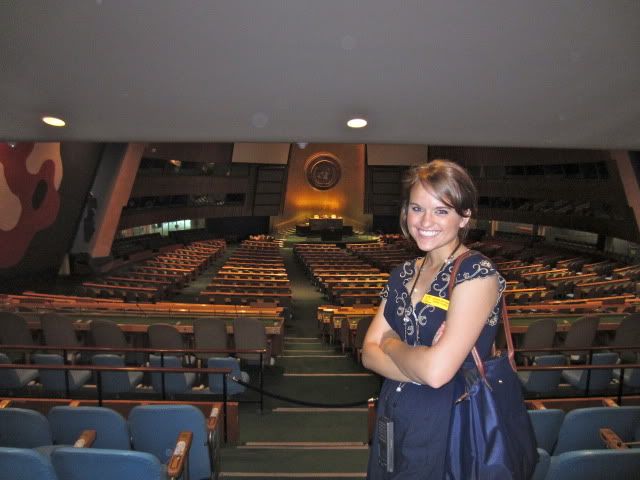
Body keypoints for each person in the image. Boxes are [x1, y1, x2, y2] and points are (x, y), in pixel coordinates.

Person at [363, 159, 507, 478]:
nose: (425, 221)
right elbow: (368, 353)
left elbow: (437, 373)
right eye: (417, 208)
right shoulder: (403, 273)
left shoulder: (477, 273)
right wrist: (422, 363)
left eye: (441, 211)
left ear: (464, 216)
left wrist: (391, 344)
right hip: (393, 412)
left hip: (446, 423)